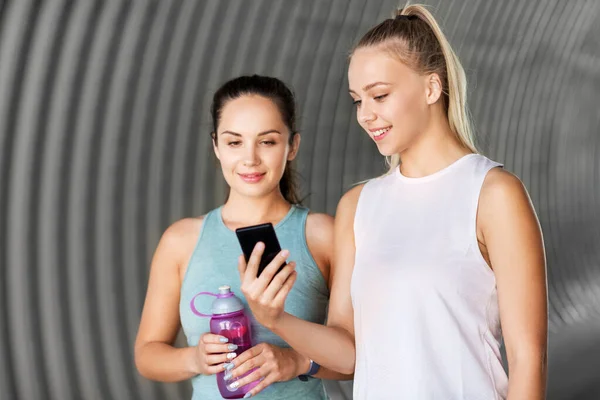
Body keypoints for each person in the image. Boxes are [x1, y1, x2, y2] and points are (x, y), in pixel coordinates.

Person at [235, 5, 548, 400]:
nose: (366, 115)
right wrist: (274, 318)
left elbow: (528, 359)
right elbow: (348, 353)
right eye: (356, 101)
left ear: (432, 88)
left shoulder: (493, 194)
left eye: (379, 95)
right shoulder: (358, 205)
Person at [134, 75, 352, 399]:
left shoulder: (322, 235)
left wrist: (296, 362)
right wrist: (192, 358)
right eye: (234, 142)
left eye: (267, 141)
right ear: (216, 147)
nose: (250, 158)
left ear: (292, 146)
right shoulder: (181, 241)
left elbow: (356, 357)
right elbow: (147, 354)